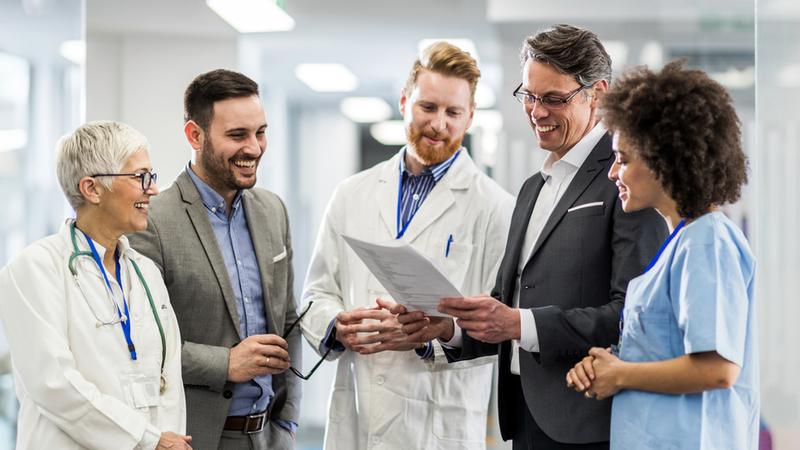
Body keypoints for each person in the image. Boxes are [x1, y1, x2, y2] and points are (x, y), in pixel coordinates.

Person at [391, 25, 668, 449]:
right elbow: (508, 306)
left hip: (590, 421)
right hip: (524, 417)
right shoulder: (532, 189)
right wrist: (450, 329)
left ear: (597, 95)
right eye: (529, 96)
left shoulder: (626, 180)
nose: (537, 111)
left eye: (554, 99)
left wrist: (521, 323)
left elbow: (631, 315)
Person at [298, 42, 514, 449]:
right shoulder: (352, 193)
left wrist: (444, 331)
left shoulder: (496, 208)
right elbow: (315, 293)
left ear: (469, 117)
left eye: (453, 113)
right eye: (427, 107)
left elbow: (502, 328)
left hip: (438, 421)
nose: (438, 124)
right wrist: (336, 325)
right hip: (359, 411)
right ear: (404, 101)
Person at [565, 61, 758, 450]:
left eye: (624, 158)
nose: (612, 173)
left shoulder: (708, 240)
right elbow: (664, 348)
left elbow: (718, 369)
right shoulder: (680, 242)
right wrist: (609, 362)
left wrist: (622, 374)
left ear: (664, 158)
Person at [128, 69, 300, 450]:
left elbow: (289, 320)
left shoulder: (273, 211)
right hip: (197, 438)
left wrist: (287, 422)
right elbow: (140, 344)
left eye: (260, 132)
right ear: (195, 135)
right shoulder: (152, 221)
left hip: (270, 435)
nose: (254, 148)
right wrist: (226, 364)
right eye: (237, 135)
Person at [0, 121, 189, 449]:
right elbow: (55, 385)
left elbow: (170, 378)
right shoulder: (34, 269)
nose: (153, 189)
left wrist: (164, 439)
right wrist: (146, 439)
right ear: (92, 188)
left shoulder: (145, 272)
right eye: (140, 177)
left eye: (152, 176)